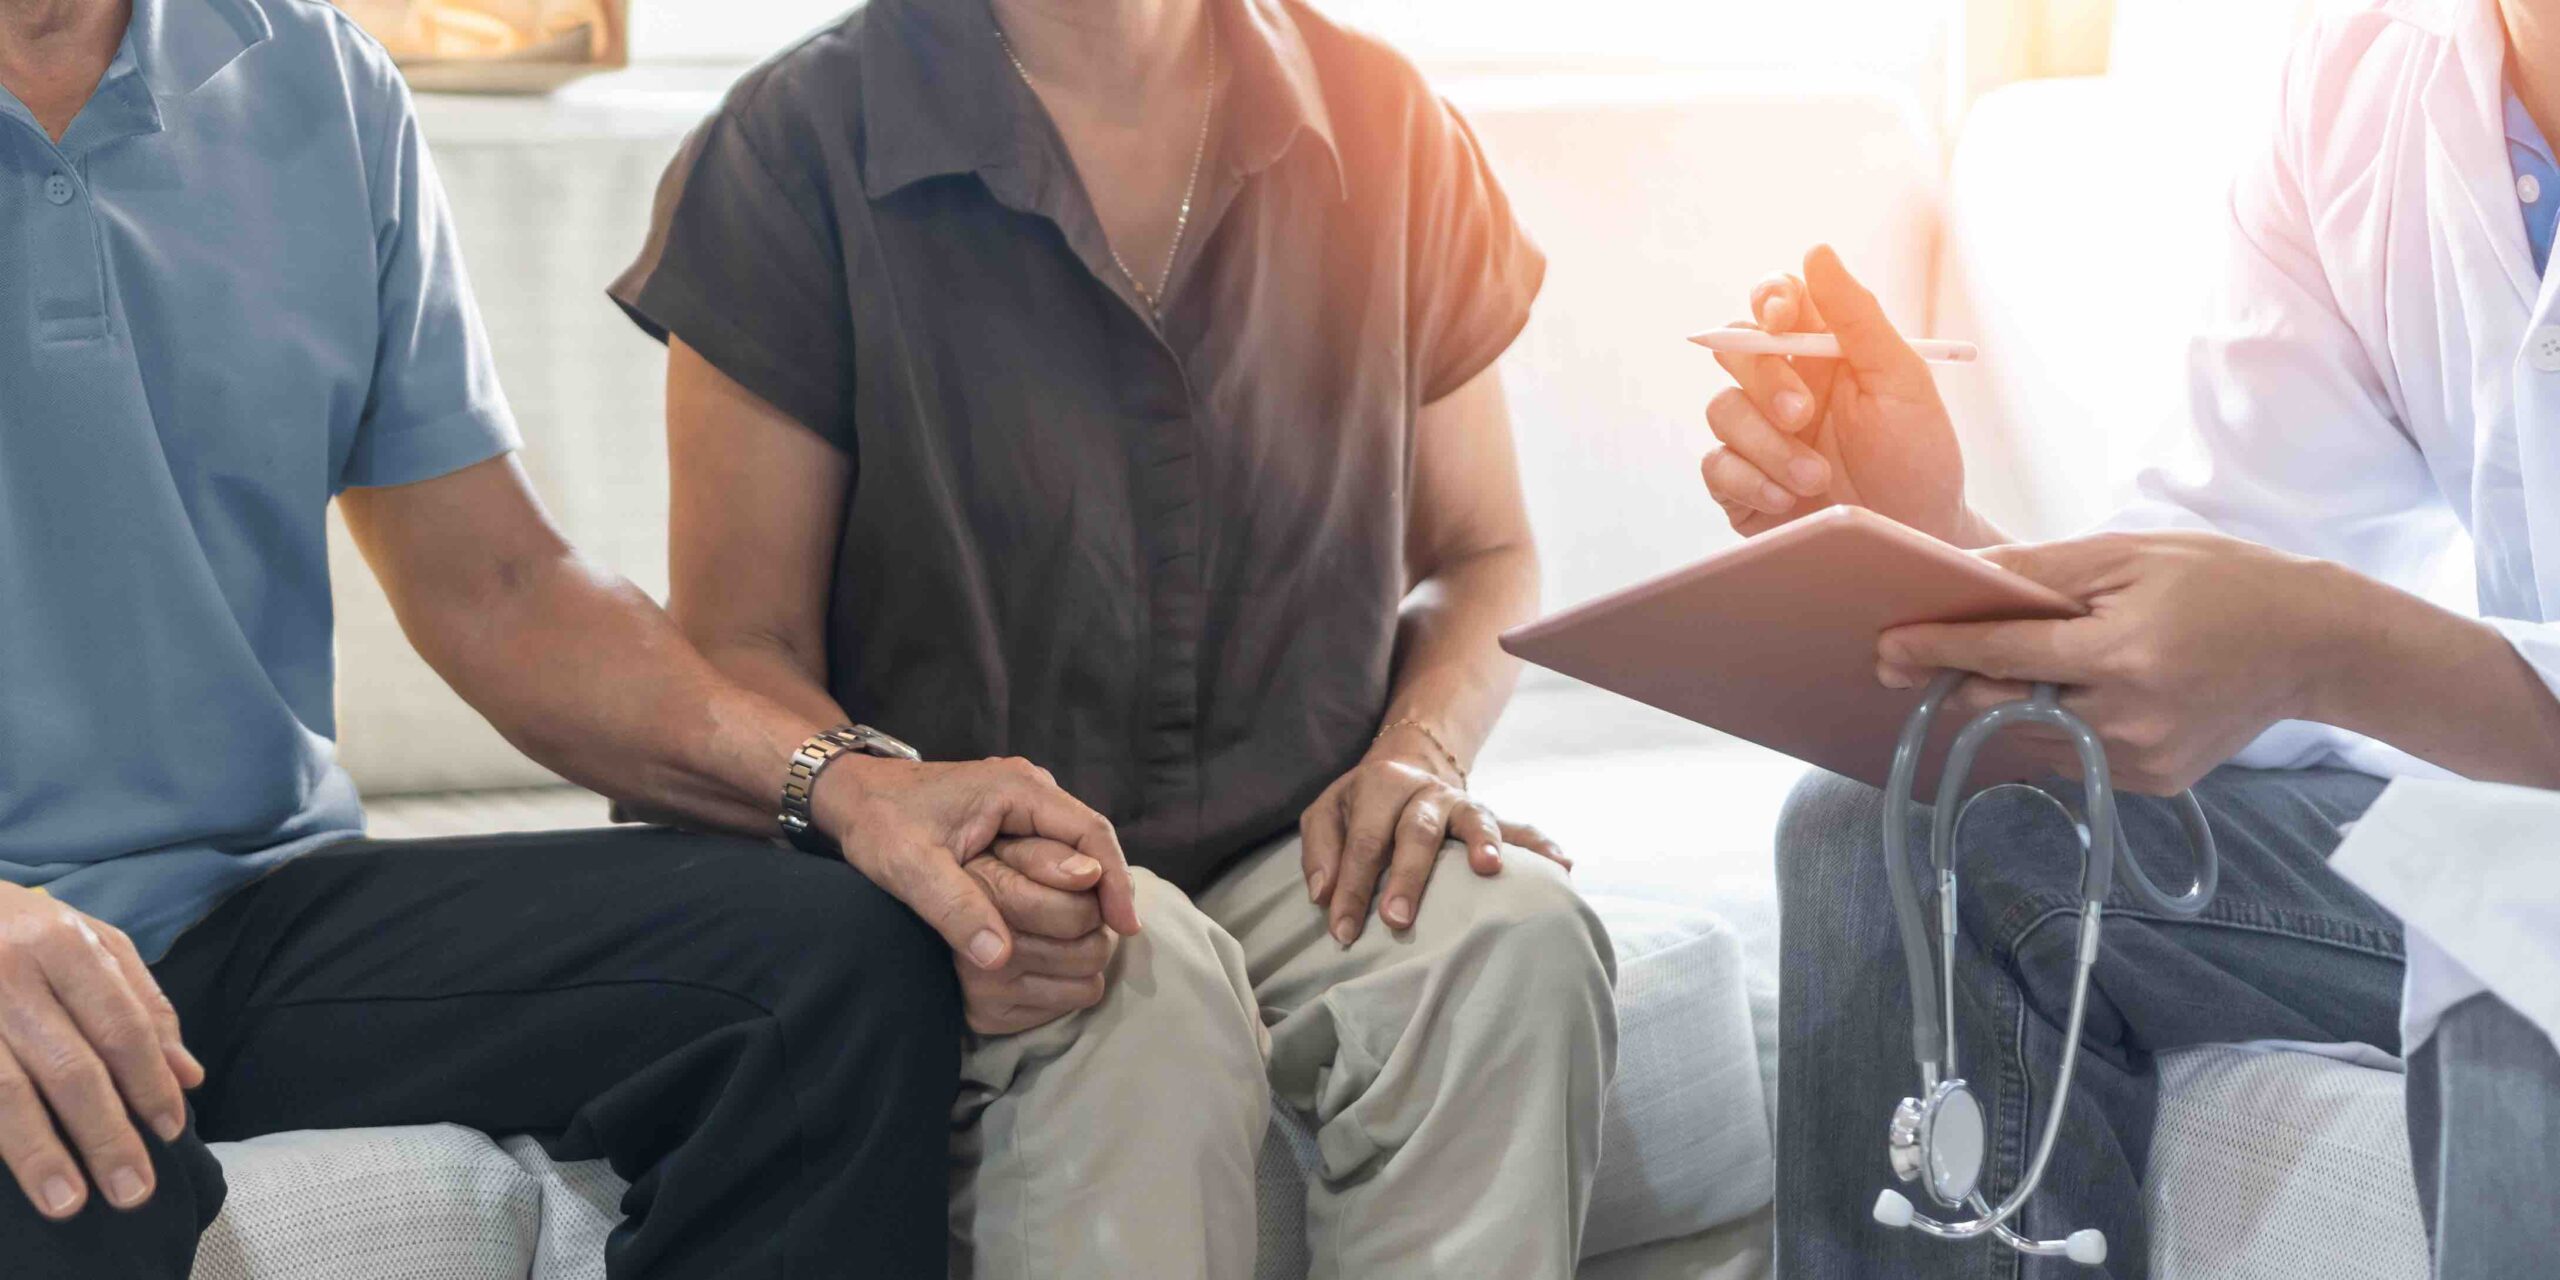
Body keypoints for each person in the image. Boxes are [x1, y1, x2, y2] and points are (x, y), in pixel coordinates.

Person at [0, 0, 1145, 1273]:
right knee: (72, 1164)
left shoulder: (314, 73)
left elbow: (501, 585)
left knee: (833, 966)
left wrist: (849, 787)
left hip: (247, 914)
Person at [607, 0, 1618, 1273]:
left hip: (1302, 847)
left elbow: (1486, 554)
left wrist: (1422, 754)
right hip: (966, 870)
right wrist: (925, 828)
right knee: (1145, 989)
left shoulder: (1391, 124)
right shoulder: (794, 143)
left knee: (1516, 940)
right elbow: (738, 647)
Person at [1697, 0, 2560, 1275]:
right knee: (1914, 815)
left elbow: (2296, 627)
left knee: (2510, 964)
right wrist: (1938, 544)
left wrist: (2327, 642)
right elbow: (2230, 578)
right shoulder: (2362, 77)